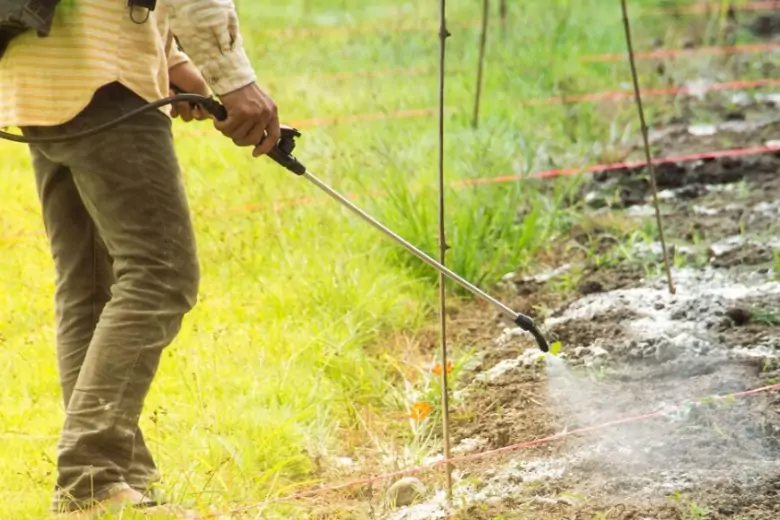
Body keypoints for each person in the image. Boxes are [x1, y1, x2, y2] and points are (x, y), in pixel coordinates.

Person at [0, 1, 279, 517]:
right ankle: (92, 475)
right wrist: (236, 80)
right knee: (160, 273)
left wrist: (169, 59)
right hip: (102, 78)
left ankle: (113, 477)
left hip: (39, 76)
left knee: (89, 282)